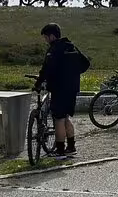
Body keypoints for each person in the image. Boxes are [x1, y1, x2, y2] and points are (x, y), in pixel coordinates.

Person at [34, 23, 90, 159]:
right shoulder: (71, 46)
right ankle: (71, 147)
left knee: (58, 119)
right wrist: (73, 74)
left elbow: (46, 69)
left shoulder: (54, 49)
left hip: (59, 88)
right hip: (72, 88)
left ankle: (60, 151)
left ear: (52, 36)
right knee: (65, 118)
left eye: (46, 37)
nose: (45, 40)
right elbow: (86, 64)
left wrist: (38, 84)